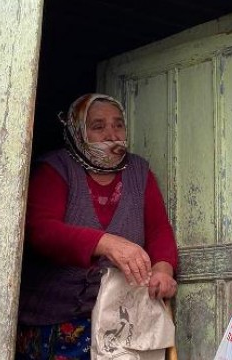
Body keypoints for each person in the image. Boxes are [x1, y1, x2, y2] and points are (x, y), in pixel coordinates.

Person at [16, 93, 178, 359]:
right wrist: (107, 243)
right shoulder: (56, 169)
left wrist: (163, 269)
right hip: (58, 315)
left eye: (118, 125)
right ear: (78, 131)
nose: (111, 134)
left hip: (122, 315)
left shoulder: (139, 172)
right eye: (98, 126)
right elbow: (40, 230)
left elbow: (158, 228)